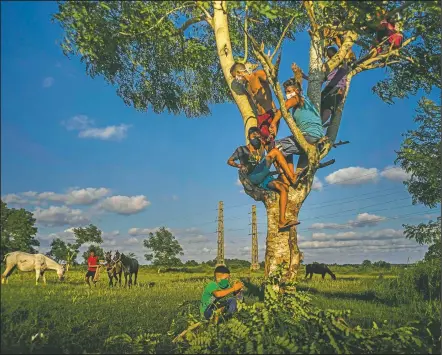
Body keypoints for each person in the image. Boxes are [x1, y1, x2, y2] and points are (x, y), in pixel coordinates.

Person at [228, 127, 302, 230]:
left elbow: (266, 143)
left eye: (257, 136)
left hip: (263, 178)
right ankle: (293, 178)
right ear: (248, 137)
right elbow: (229, 161)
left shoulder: (260, 148)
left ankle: (282, 221)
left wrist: (266, 136)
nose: (256, 138)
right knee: (275, 152)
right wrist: (239, 166)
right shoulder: (241, 149)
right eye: (253, 136)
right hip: (253, 175)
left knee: (283, 188)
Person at [268, 75, 325, 186]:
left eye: (289, 91)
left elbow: (285, 106)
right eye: (285, 92)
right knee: (285, 150)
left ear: (297, 91)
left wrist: (273, 122)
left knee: (275, 146)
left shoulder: (297, 98)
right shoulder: (305, 101)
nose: (287, 94)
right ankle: (292, 175)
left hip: (309, 136)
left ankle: (290, 177)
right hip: (316, 137)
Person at [230, 62, 279, 142]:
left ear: (239, 72)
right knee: (260, 143)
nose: (236, 79)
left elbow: (270, 75)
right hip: (260, 118)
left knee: (267, 143)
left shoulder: (257, 75)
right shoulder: (246, 86)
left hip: (270, 113)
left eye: (234, 76)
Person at [320, 47, 349, 126]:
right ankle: (318, 124)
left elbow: (345, 60)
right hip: (328, 88)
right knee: (319, 106)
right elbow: (318, 79)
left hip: (336, 87)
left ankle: (319, 125)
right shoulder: (329, 68)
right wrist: (302, 75)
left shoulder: (342, 65)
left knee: (328, 108)